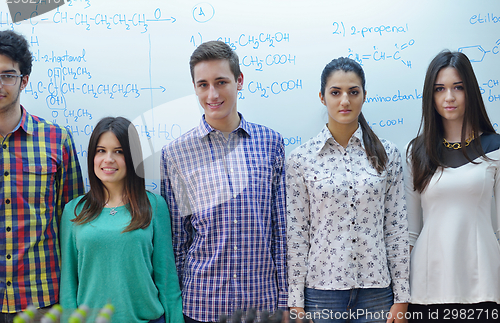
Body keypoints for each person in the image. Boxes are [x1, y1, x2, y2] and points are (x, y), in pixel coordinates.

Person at [161, 40, 288, 323]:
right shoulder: (176, 153)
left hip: (262, 305)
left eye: (221, 82)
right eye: (203, 84)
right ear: (194, 87)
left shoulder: (271, 143)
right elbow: (177, 241)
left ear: (239, 81)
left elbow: (280, 232)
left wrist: (284, 301)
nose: (213, 93)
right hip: (202, 305)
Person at [286, 57, 410, 323]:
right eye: (335, 92)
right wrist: (295, 301)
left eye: (353, 92)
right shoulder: (301, 159)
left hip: (376, 291)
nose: (345, 101)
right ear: (322, 97)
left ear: (364, 95)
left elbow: (396, 227)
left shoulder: (387, 154)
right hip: (321, 292)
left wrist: (401, 296)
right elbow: (297, 233)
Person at [405, 51, 500, 321]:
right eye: (440, 89)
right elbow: (411, 233)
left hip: (483, 283)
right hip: (427, 284)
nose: (449, 97)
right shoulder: (416, 151)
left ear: (470, 91)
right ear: (431, 96)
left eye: (458, 87)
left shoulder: (496, 148)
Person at [59, 117, 183, 323]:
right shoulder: (74, 211)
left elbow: (167, 280)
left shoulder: (154, 205)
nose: (108, 159)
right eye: (101, 151)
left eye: (119, 151)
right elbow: (68, 286)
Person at [0, 30, 85, 323]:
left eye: (7, 75)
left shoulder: (56, 140)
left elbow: (74, 222)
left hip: (41, 300)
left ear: (23, 80)